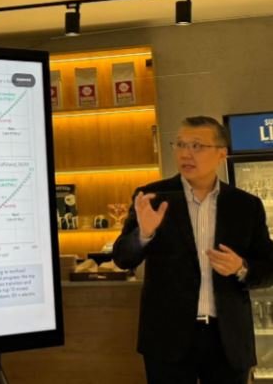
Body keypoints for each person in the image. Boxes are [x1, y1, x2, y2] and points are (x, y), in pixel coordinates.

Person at [112, 116, 273, 384]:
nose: (185, 153)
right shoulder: (152, 198)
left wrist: (242, 268)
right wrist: (143, 234)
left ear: (221, 153)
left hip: (228, 339)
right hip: (168, 338)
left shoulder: (246, 206)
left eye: (197, 146)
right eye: (180, 144)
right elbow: (122, 258)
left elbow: (268, 267)